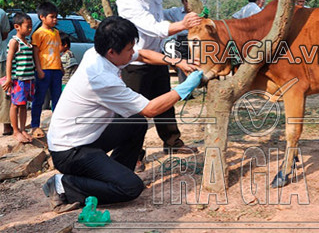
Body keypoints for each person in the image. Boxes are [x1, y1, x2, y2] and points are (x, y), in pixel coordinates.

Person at [43, 16, 203, 213]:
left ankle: (113, 175)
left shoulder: (97, 52)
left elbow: (142, 54)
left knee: (135, 122)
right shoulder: (101, 77)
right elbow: (151, 109)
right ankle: (63, 185)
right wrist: (185, 88)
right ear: (112, 52)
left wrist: (178, 62)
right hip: (70, 151)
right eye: (128, 49)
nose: (131, 53)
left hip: (86, 137)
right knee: (130, 188)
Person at [116, 0, 201, 155]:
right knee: (135, 112)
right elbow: (154, 28)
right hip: (135, 61)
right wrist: (183, 24)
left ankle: (172, 143)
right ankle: (133, 155)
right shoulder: (127, 2)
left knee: (165, 103)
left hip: (157, 56)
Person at [31, 2, 64, 138]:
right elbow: (36, 51)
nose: (55, 20)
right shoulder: (38, 33)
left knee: (57, 98)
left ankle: (57, 125)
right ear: (42, 17)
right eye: (52, 17)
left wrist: (61, 67)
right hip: (44, 69)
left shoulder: (56, 33)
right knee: (39, 98)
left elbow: (57, 52)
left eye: (56, 17)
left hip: (56, 69)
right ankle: (35, 125)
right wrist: (39, 69)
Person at [1, 12, 35, 143]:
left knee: (23, 105)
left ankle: (22, 129)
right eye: (28, 26)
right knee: (15, 105)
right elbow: (9, 61)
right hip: (18, 80)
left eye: (31, 26)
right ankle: (15, 131)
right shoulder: (14, 42)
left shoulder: (28, 42)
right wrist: (9, 78)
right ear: (17, 26)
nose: (30, 29)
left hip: (28, 79)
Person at [163, 0, 192, 85]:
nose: (190, 4)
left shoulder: (199, 12)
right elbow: (160, 13)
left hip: (197, 41)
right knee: (182, 64)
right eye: (187, 1)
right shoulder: (176, 12)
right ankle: (185, 93)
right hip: (182, 41)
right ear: (183, 1)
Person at [0, 7, 13, 136]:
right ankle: (7, 126)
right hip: (1, 58)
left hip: (1, 58)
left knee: (5, 91)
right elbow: (5, 35)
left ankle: (7, 125)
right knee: (4, 92)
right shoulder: (1, 13)